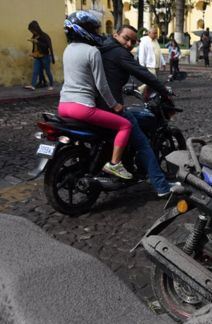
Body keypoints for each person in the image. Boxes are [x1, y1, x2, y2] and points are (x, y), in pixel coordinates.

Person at [97, 24, 177, 197]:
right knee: (143, 144)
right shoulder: (119, 53)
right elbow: (142, 73)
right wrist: (164, 90)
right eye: (126, 38)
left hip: (93, 105)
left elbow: (110, 75)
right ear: (115, 34)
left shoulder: (102, 48)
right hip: (111, 107)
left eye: (133, 41)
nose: (129, 44)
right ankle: (162, 187)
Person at [59, 11, 132, 180]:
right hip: (82, 108)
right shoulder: (92, 51)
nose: (97, 33)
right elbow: (101, 85)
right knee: (125, 125)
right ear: (85, 31)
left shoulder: (67, 50)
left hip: (63, 106)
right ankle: (115, 164)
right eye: (93, 29)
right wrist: (115, 105)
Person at [24, 21, 55, 91]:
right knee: (35, 71)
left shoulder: (44, 36)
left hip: (45, 57)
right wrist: (33, 53)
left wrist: (37, 42)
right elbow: (35, 47)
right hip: (37, 57)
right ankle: (33, 85)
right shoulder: (34, 36)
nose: (31, 32)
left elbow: (47, 46)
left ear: (36, 29)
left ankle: (51, 85)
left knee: (48, 71)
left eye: (32, 30)